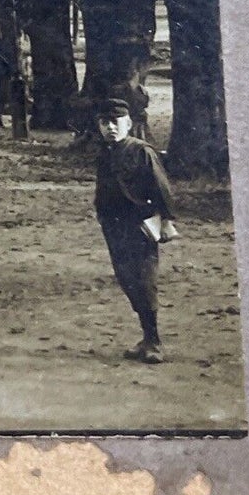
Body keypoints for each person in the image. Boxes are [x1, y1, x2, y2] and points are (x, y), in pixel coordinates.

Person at [93, 98, 178, 364]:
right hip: (114, 226)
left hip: (139, 225)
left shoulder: (141, 151)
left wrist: (166, 220)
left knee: (144, 280)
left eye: (116, 122)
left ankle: (154, 342)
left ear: (128, 123)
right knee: (126, 279)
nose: (111, 127)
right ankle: (145, 337)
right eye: (105, 123)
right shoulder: (105, 152)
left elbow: (161, 187)